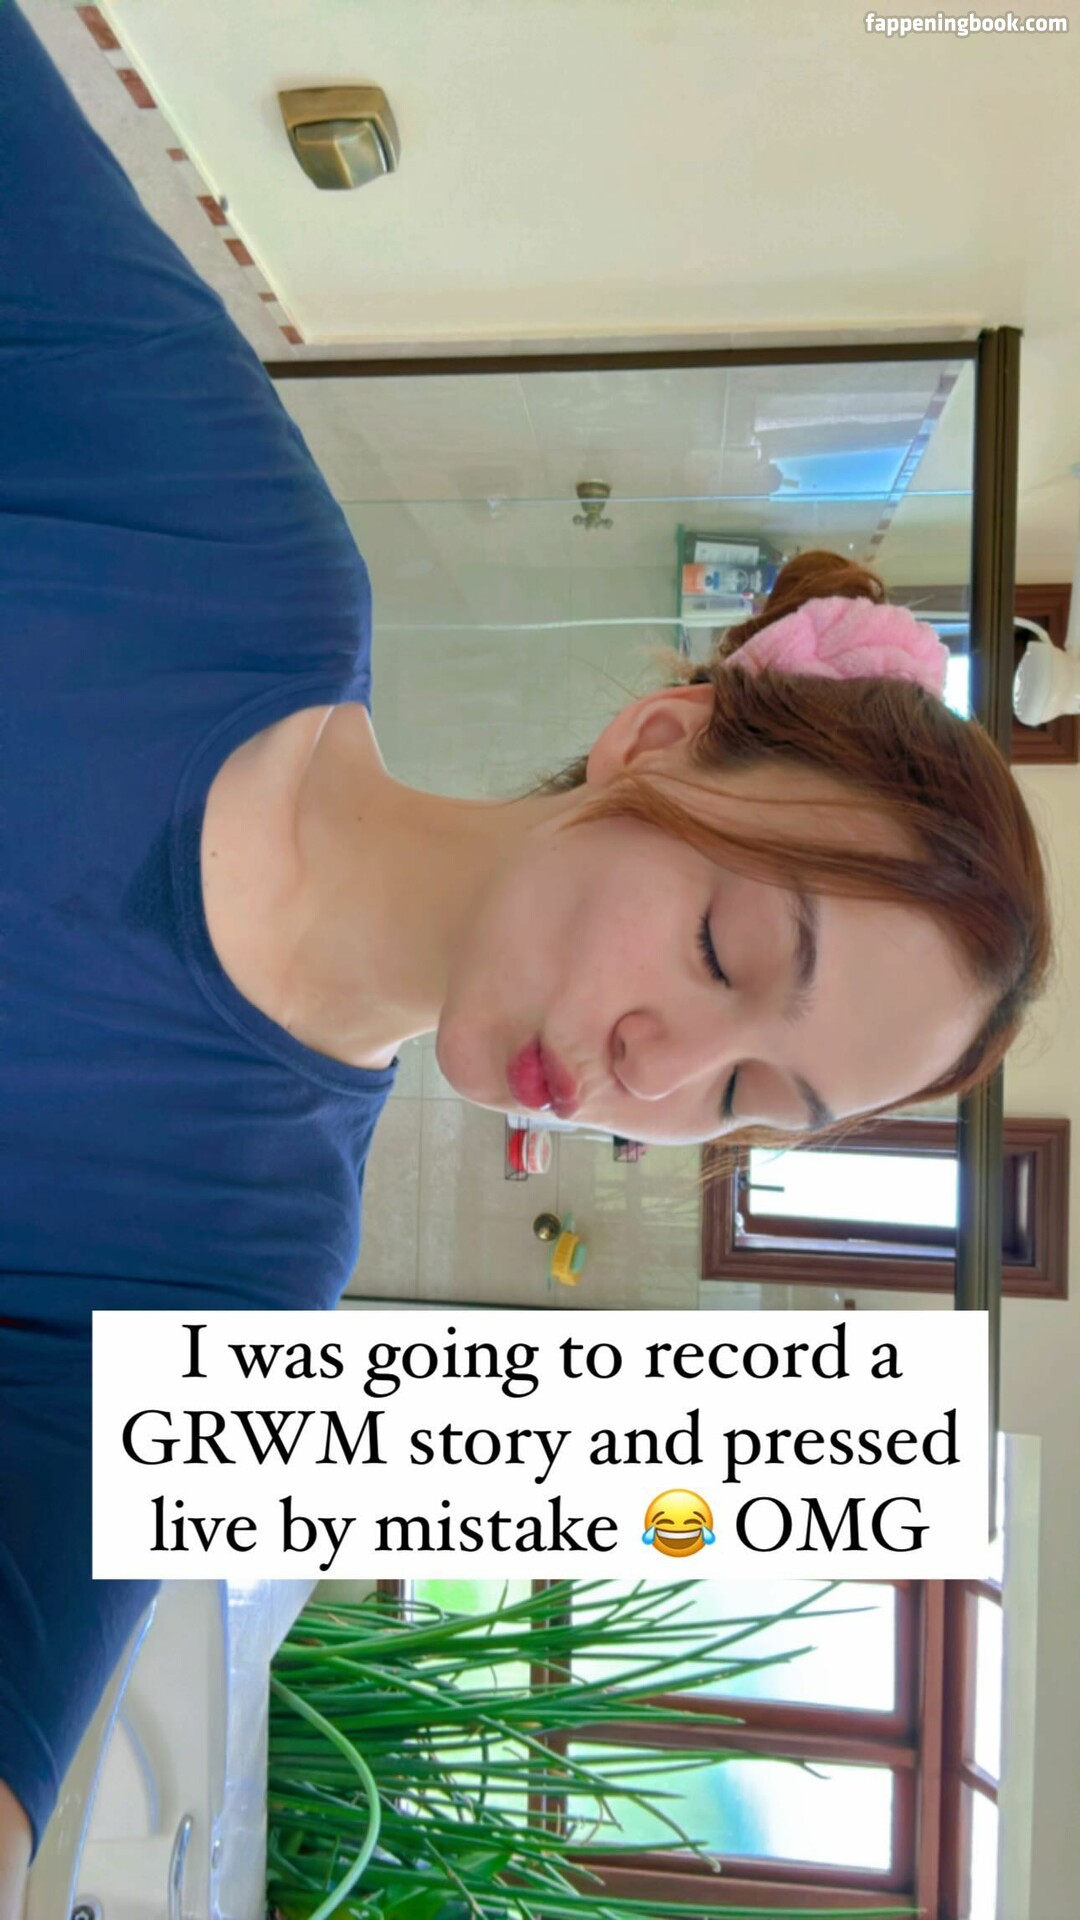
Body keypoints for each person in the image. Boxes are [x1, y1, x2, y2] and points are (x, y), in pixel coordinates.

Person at [0, 0, 1051, 1903]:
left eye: (750, 1099)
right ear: (656, 741)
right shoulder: (232, 559)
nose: (661, 1074)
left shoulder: (241, 1257)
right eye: (727, 948)